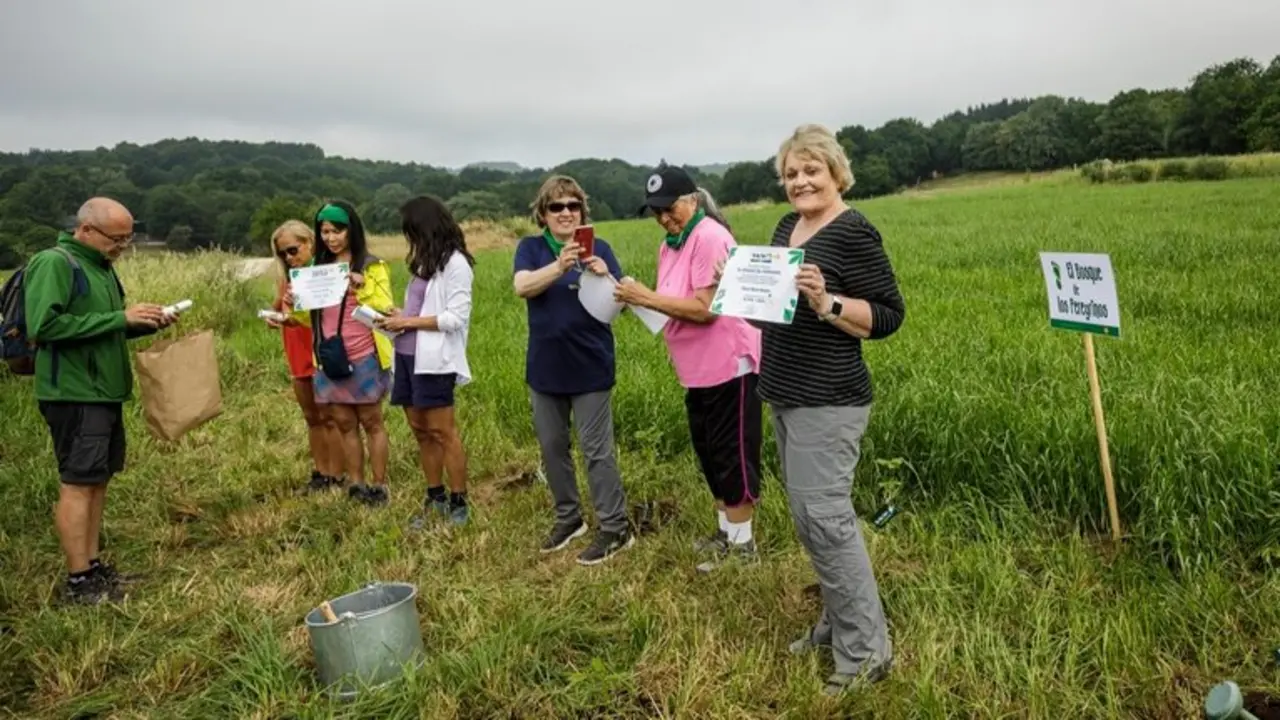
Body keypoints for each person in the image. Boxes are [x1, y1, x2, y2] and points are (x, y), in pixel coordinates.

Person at [751, 124, 905, 695]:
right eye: (791, 173)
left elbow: (889, 316)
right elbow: (768, 306)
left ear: (836, 173)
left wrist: (828, 301)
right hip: (785, 391)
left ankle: (866, 653)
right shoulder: (786, 227)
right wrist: (734, 288)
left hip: (829, 397)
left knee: (827, 521)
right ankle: (838, 622)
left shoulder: (853, 231)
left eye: (811, 170)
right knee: (807, 520)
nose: (800, 181)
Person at [22, 197, 176, 604]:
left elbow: (104, 329)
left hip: (104, 391)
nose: (122, 247)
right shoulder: (55, 264)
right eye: (116, 239)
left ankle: (92, 567)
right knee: (77, 483)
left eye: (127, 239)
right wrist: (119, 318)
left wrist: (142, 323)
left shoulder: (101, 269)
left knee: (97, 481)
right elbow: (44, 326)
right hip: (74, 393)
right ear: (86, 230)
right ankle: (77, 581)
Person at [613, 164, 762, 574]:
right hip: (696, 367)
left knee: (732, 456)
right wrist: (638, 299)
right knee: (709, 453)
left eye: (669, 207)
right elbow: (670, 300)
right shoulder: (672, 244)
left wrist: (645, 297)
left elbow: (705, 310)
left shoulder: (709, 237)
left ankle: (744, 547)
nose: (663, 218)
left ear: (692, 200)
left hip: (728, 363)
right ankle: (725, 535)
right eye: (656, 212)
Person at [512, 175, 633, 566]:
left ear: (582, 212)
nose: (566, 212)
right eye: (556, 206)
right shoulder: (531, 249)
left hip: (591, 365)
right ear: (542, 214)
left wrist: (605, 276)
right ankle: (570, 519)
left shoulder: (601, 248)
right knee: (552, 448)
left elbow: (621, 303)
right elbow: (522, 287)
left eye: (573, 206)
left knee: (597, 451)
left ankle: (615, 528)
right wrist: (558, 265)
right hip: (545, 368)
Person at [283, 201, 395, 506]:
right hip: (329, 357)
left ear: (351, 231)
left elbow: (385, 311)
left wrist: (363, 288)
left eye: (338, 231)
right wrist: (293, 306)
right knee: (344, 423)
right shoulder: (316, 270)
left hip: (364, 355)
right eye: (325, 231)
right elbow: (310, 320)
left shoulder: (371, 266)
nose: (331, 238)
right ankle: (356, 484)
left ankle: (379, 485)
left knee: (372, 421)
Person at [375, 195, 475, 527]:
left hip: (434, 361)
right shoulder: (424, 263)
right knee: (420, 430)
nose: (409, 239)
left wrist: (407, 322)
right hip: (405, 355)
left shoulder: (456, 264)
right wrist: (398, 316)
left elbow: (454, 318)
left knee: (442, 431)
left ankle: (459, 501)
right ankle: (435, 497)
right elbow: (421, 310)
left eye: (412, 232)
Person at [264, 219, 343, 491]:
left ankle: (337, 473)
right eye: (282, 253)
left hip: (320, 351)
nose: (289, 258)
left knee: (329, 416)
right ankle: (321, 472)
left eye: (293, 250)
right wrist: (275, 315)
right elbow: (280, 306)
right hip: (296, 352)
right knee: (311, 416)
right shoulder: (288, 276)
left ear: (309, 243)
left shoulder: (323, 273)